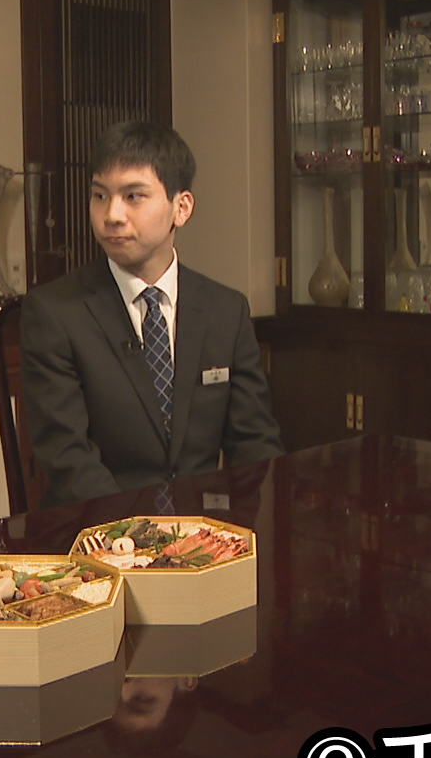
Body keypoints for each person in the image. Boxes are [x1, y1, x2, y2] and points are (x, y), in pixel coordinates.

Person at [20, 122, 282, 508]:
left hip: (202, 530)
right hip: (99, 528)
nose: (112, 215)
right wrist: (144, 535)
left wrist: (240, 530)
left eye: (133, 196)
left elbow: (254, 445)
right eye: (99, 195)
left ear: (181, 208)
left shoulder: (226, 311)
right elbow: (68, 460)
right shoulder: (54, 312)